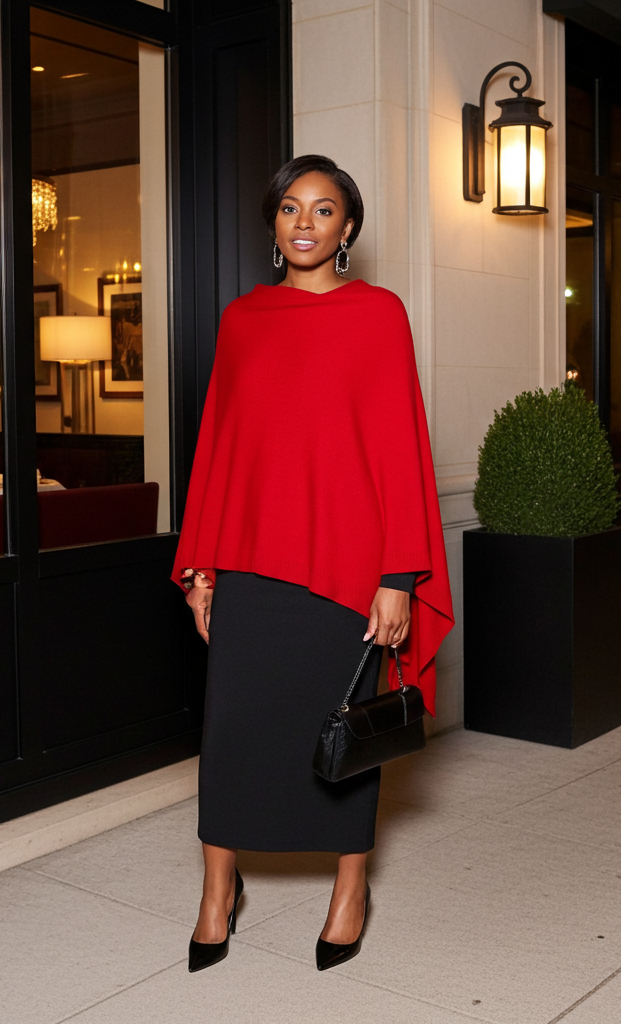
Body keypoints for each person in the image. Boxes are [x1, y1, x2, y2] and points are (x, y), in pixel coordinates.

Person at [173, 154, 453, 973]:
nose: (305, 222)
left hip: (348, 567)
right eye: (291, 207)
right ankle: (217, 892)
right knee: (230, 730)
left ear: (347, 227)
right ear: (273, 222)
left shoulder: (379, 314)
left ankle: (350, 892)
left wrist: (398, 577)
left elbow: (400, 447)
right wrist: (202, 567)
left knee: (343, 732)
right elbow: (220, 446)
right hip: (251, 561)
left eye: (323, 209)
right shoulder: (242, 319)